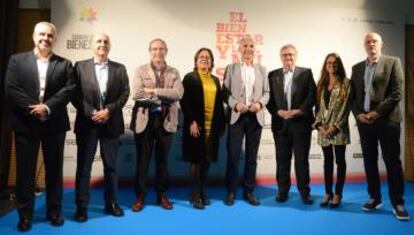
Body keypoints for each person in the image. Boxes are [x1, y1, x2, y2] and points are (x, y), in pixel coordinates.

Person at [5, 22, 75, 231]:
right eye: (42, 34)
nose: (45, 38)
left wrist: (47, 107)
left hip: (54, 124)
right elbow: (11, 88)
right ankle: (24, 215)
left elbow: (69, 89)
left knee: (54, 172)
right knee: (25, 173)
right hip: (25, 123)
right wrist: (33, 108)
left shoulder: (65, 64)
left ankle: (54, 212)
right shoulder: (17, 60)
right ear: (34, 36)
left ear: (54, 38)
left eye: (50, 35)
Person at [351, 32, 410, 220]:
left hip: (387, 121)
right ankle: (374, 198)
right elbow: (354, 97)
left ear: (381, 44)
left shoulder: (393, 62)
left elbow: (396, 93)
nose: (371, 44)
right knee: (369, 161)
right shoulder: (357, 68)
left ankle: (398, 202)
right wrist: (359, 113)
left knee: (392, 162)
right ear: (364, 45)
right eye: (367, 42)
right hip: (365, 122)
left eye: (374, 41)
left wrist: (376, 113)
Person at [72, 33, 130, 222]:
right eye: (99, 41)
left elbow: (125, 93)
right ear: (91, 45)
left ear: (109, 46)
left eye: (106, 41)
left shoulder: (119, 68)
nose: (102, 44)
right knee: (84, 168)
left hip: (111, 123)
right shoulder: (80, 67)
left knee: (111, 167)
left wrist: (108, 111)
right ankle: (81, 207)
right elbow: (75, 94)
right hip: (87, 124)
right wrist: (91, 113)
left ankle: (111, 203)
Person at [130, 38, 183, 211]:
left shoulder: (174, 72)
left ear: (166, 51)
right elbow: (137, 95)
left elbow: (177, 93)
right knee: (142, 161)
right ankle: (140, 196)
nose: (157, 52)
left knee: (162, 161)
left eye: (161, 49)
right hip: (145, 121)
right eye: (154, 49)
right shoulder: (140, 70)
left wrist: (154, 91)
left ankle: (162, 195)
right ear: (149, 51)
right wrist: (161, 99)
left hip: (166, 121)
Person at [266, 44, 316, 205]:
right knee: (282, 160)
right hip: (280, 124)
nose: (288, 58)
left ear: (296, 56)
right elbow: (269, 99)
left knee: (301, 160)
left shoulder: (306, 73)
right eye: (285, 55)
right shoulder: (272, 75)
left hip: (301, 124)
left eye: (291, 55)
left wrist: (300, 111)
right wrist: (277, 112)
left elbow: (312, 95)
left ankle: (304, 192)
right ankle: (282, 191)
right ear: (281, 57)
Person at [223, 36, 269, 206]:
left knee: (251, 157)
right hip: (237, 117)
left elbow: (267, 93)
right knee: (233, 156)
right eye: (245, 45)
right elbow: (225, 92)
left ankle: (249, 191)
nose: (248, 48)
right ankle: (231, 192)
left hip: (255, 117)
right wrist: (235, 105)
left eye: (251, 45)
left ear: (254, 49)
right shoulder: (231, 68)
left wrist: (259, 103)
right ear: (239, 49)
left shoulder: (262, 69)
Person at [180, 48, 225, 209]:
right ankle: (194, 194)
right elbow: (185, 101)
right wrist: (191, 121)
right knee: (196, 161)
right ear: (196, 60)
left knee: (206, 161)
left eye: (207, 57)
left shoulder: (215, 80)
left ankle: (202, 191)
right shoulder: (190, 78)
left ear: (212, 61)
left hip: (211, 126)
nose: (204, 59)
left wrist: (221, 124)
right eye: (201, 57)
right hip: (196, 126)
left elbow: (220, 104)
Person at [313, 53, 351, 208]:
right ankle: (328, 192)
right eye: (329, 62)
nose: (331, 65)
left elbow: (346, 107)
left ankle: (338, 194)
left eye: (335, 62)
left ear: (339, 65)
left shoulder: (346, 83)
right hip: (323, 130)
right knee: (327, 162)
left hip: (338, 130)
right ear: (325, 65)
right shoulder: (321, 83)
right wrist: (320, 126)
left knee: (340, 162)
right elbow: (318, 108)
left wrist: (335, 127)